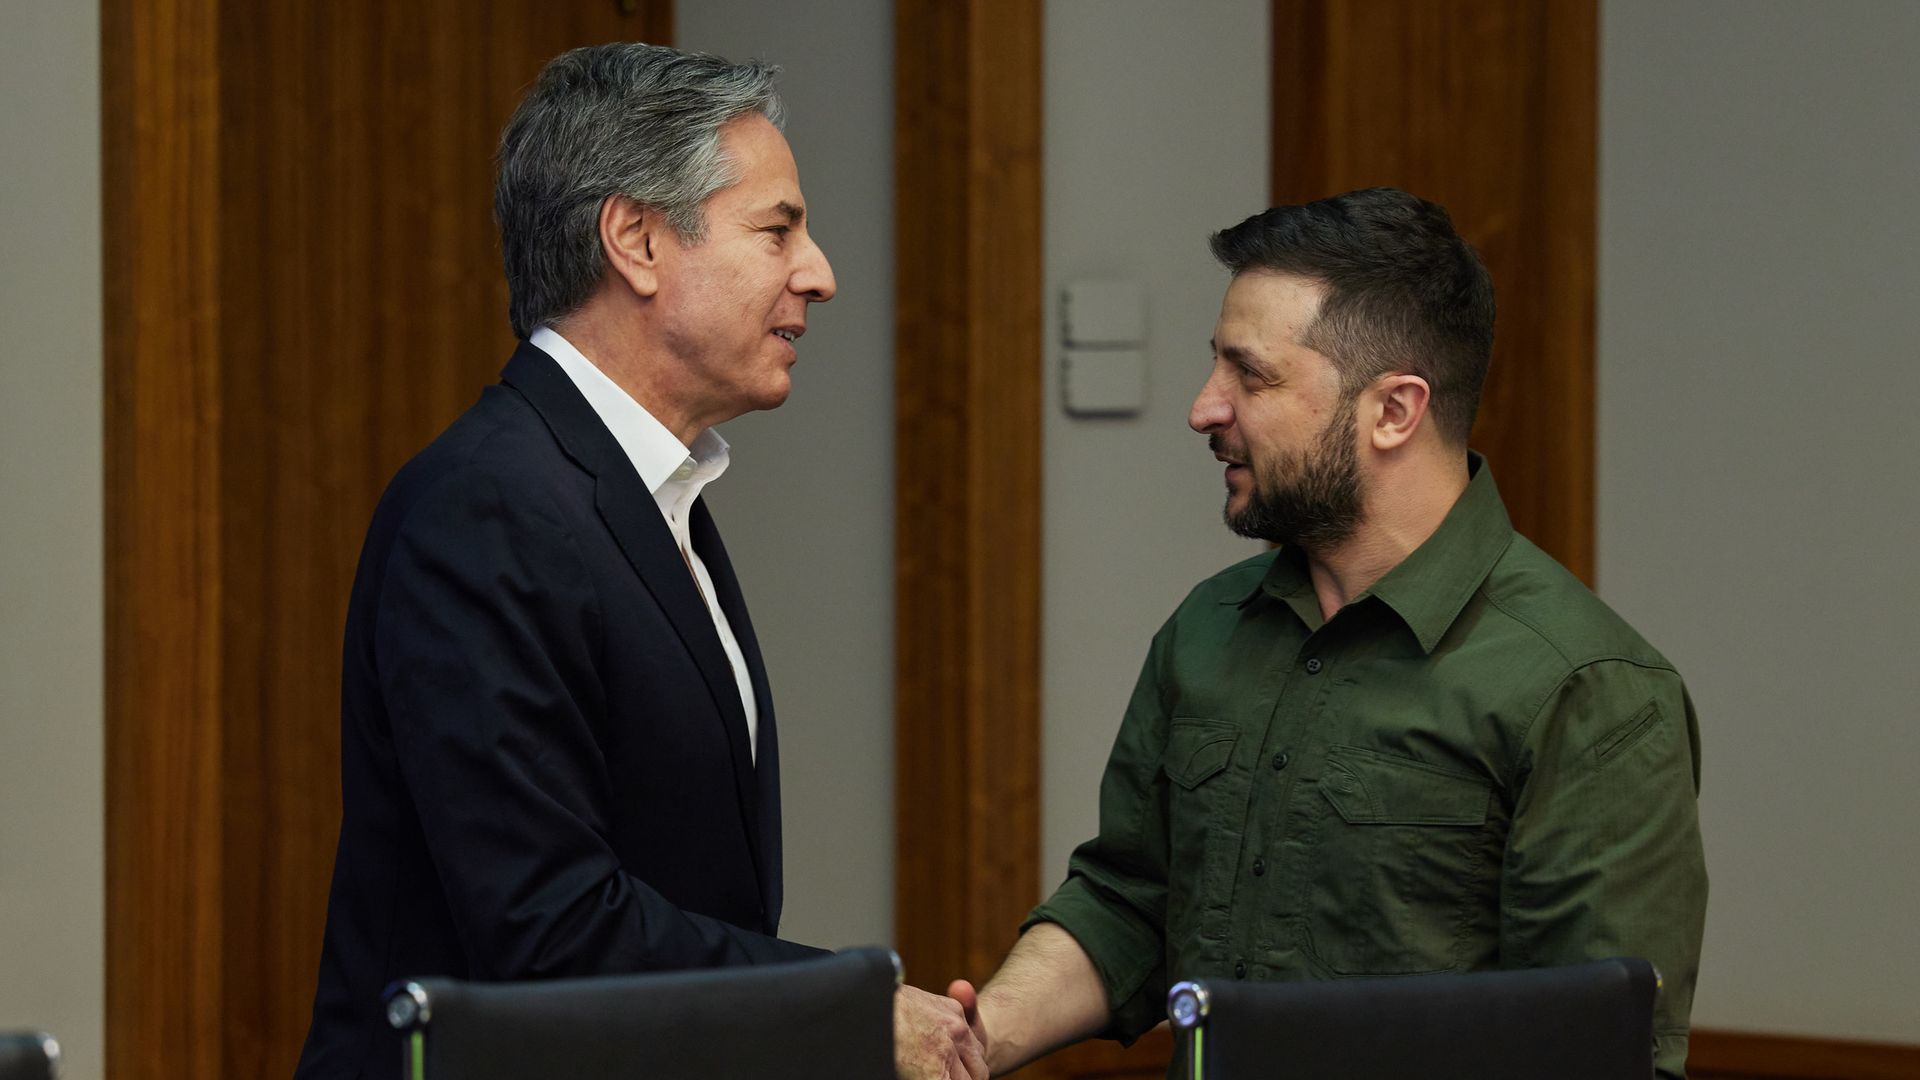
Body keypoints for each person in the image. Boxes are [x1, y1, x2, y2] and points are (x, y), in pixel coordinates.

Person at [295, 43, 982, 1080]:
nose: (821, 274)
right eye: (778, 230)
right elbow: (547, 928)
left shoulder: (640, 489)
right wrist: (845, 1012)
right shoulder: (488, 507)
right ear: (637, 241)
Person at [948, 188, 1708, 1080]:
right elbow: (1132, 903)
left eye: (1252, 375)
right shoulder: (1209, 629)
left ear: (1394, 410)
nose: (1204, 409)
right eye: (1213, 368)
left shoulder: (1587, 687)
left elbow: (1594, 1049)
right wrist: (975, 1039)